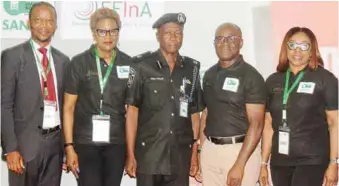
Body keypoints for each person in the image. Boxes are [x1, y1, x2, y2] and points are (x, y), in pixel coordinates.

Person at [124, 12, 204, 186]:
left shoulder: (192, 68)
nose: (173, 37)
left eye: (178, 33)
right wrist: (130, 153)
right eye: (168, 33)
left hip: (180, 156)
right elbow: (132, 112)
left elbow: (195, 114)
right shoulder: (140, 65)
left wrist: (195, 152)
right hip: (149, 155)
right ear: (158, 35)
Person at [1, 2, 70, 186]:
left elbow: (67, 107)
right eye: (38, 20)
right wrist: (10, 148)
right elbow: (4, 105)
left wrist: (67, 147)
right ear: (28, 23)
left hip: (54, 146)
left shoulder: (63, 61)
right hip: (23, 147)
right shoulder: (12, 57)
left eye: (49, 21)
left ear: (56, 25)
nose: (44, 25)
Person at [259, 27, 338, 186]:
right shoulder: (272, 81)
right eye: (293, 44)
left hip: (312, 160)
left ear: (312, 51)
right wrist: (263, 164)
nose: (297, 50)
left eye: (304, 46)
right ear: (285, 48)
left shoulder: (326, 79)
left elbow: (335, 123)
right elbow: (268, 126)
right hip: (280, 161)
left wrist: (333, 162)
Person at [62, 8, 133, 186]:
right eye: (102, 31)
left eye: (113, 31)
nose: (108, 36)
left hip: (116, 143)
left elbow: (132, 111)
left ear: (118, 32)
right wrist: (69, 147)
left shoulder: (129, 63)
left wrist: (132, 152)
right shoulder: (78, 63)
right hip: (86, 142)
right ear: (94, 32)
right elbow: (68, 108)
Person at [196, 23, 266, 186]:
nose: (225, 42)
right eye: (220, 38)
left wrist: (240, 164)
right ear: (214, 43)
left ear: (241, 43)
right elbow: (206, 113)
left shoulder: (251, 76)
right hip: (210, 150)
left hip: (240, 151)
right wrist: (201, 151)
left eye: (231, 38)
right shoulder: (209, 75)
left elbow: (257, 124)